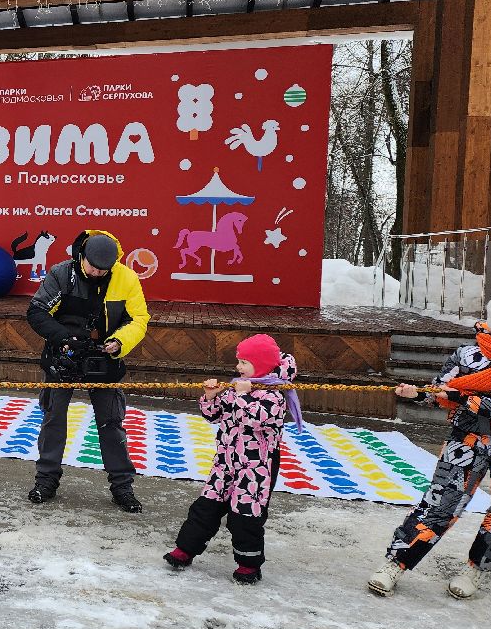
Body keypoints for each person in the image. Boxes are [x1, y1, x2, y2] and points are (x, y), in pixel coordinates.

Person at [368, 292, 491, 600]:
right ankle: (396, 563)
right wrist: (419, 394)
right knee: (441, 502)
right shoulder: (468, 356)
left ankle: (477, 568)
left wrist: (467, 399)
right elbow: (442, 391)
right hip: (468, 439)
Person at [25, 229, 150, 513]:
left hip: (105, 358)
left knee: (111, 422)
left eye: (104, 270)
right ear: (81, 256)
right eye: (92, 267)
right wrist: (63, 337)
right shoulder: (61, 273)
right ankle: (46, 480)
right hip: (63, 356)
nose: (97, 273)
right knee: (53, 418)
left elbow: (139, 319)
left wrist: (120, 342)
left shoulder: (127, 278)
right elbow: (36, 311)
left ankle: (122, 486)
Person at [164, 334, 302, 585]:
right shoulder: (237, 386)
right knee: (205, 507)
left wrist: (243, 396)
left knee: (245, 515)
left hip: (256, 468)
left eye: (244, 362)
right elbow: (214, 415)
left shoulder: (275, 395)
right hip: (225, 462)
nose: (238, 367)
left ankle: (248, 563)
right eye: (239, 361)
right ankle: (185, 549)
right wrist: (210, 397)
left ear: (261, 365)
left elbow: (257, 419)